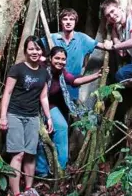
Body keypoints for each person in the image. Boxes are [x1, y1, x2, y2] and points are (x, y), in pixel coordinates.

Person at [0, 36, 53, 196]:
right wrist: (3, 116)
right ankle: (16, 193)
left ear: (41, 51)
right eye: (31, 49)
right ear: (25, 51)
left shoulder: (44, 73)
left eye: (37, 49)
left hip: (33, 117)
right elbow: (7, 92)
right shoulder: (17, 69)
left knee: (30, 154)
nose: (34, 52)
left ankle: (29, 189)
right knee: (18, 154)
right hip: (15, 114)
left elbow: (43, 97)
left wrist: (48, 117)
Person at [36, 46, 102, 177]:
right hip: (33, 106)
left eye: (63, 59)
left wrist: (97, 75)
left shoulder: (62, 73)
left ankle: (60, 167)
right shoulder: (41, 68)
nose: (60, 61)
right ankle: (41, 171)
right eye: (57, 58)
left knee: (61, 127)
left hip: (50, 105)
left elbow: (75, 81)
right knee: (38, 136)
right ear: (50, 58)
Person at [42, 8, 107, 100]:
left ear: (75, 22)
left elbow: (102, 46)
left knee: (71, 109)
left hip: (74, 83)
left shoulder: (82, 38)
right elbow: (34, 48)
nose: (68, 22)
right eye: (65, 19)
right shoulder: (52, 38)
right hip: (53, 82)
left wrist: (110, 43)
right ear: (61, 22)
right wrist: (44, 61)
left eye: (71, 19)